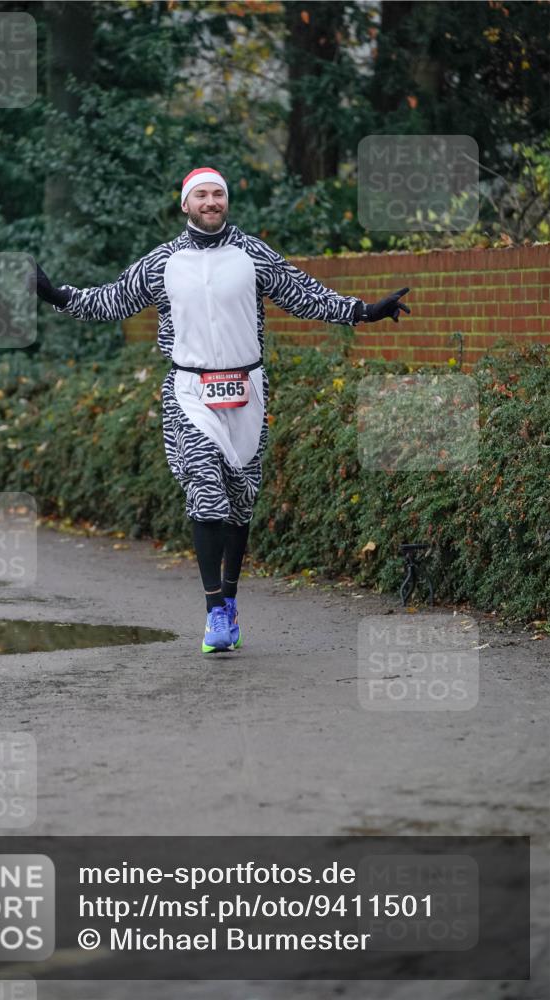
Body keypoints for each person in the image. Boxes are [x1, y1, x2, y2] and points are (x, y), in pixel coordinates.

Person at [28, 166, 410, 655]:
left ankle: (229, 601)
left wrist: (365, 311)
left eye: (218, 195)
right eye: (201, 195)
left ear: (225, 202)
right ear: (184, 205)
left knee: (240, 503)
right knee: (207, 492)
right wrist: (54, 293)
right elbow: (111, 300)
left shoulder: (252, 254)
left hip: (247, 388)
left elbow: (304, 294)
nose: (211, 202)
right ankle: (214, 614)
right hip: (189, 392)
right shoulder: (162, 262)